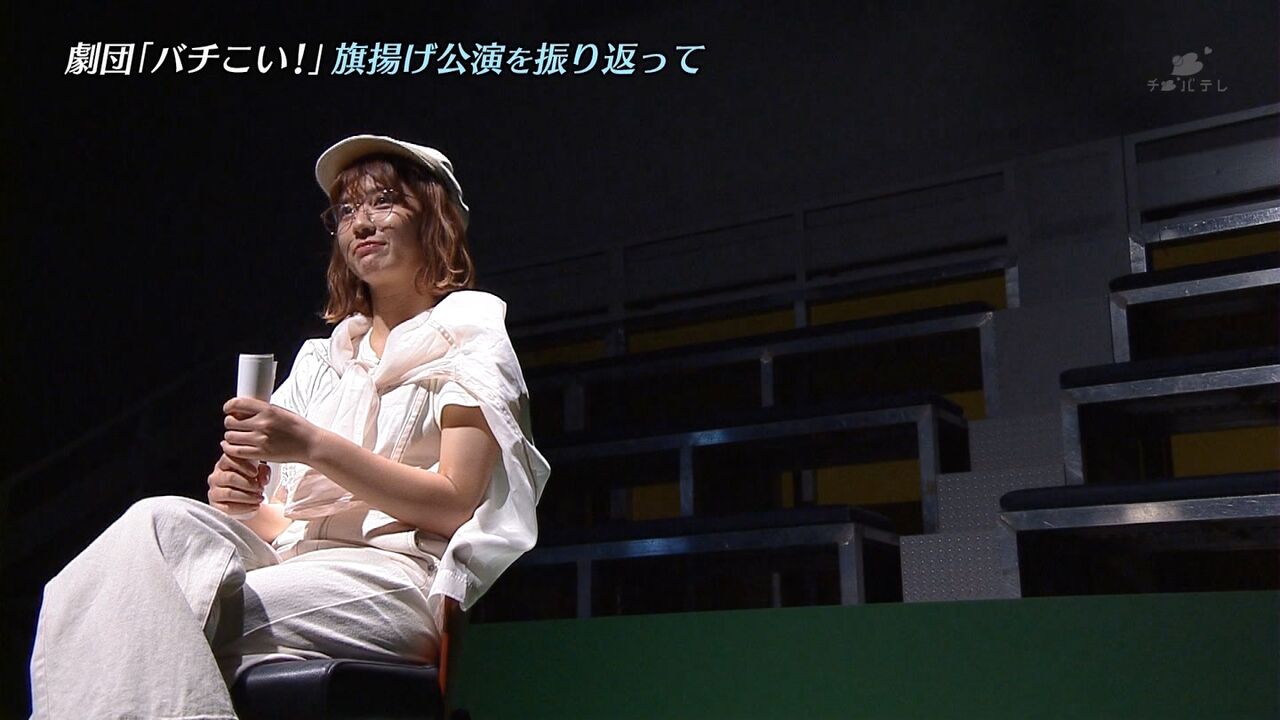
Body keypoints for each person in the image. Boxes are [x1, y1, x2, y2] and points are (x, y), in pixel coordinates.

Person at [29, 135, 550, 720]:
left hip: (391, 578)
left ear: (435, 216)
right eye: (346, 211)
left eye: (383, 201)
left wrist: (310, 444)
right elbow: (285, 520)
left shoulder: (472, 337)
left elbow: (455, 504)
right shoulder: (322, 361)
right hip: (291, 562)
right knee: (145, 531)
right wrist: (243, 505)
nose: (360, 223)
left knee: (150, 613)